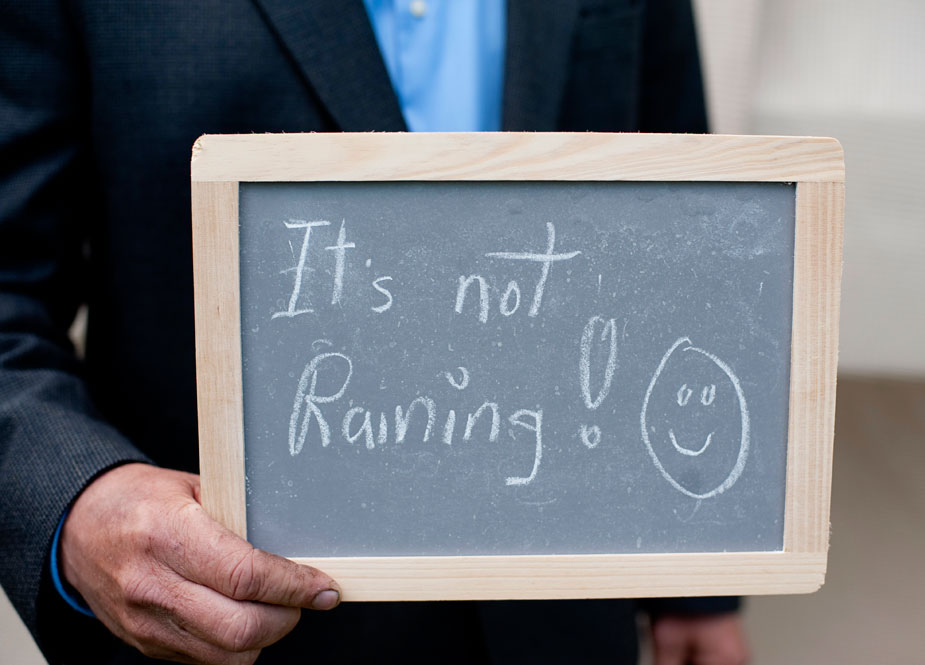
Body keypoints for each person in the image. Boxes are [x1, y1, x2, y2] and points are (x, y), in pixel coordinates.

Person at [0, 1, 749, 663]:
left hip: (564, 617)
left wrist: (699, 585)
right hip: (242, 628)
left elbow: (676, 227)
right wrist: (83, 503)